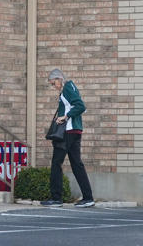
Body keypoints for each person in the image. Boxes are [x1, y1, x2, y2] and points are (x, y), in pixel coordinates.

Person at [41, 69, 95, 207]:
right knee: (77, 164)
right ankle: (88, 198)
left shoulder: (67, 89)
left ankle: (56, 198)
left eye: (54, 83)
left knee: (56, 163)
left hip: (67, 132)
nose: (54, 86)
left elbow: (81, 106)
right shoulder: (71, 87)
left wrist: (65, 116)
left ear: (59, 79)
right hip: (75, 131)